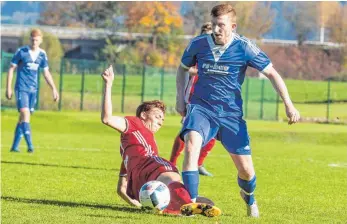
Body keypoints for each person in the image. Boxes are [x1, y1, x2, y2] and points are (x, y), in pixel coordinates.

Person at [175, 4, 300, 218]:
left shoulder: (244, 47)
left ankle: (249, 197)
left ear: (233, 26)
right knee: (191, 146)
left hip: (231, 115)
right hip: (201, 108)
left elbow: (272, 73)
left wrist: (288, 104)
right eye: (213, 25)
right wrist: (180, 98)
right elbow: (182, 68)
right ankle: (191, 205)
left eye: (221, 25)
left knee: (246, 172)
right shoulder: (197, 44)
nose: (215, 30)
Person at [100, 65, 221, 217]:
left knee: (168, 185)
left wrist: (136, 205)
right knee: (169, 173)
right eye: (157, 116)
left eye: (162, 119)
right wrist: (108, 84)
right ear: (143, 115)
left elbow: (121, 189)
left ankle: (176, 207)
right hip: (150, 164)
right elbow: (107, 118)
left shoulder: (128, 151)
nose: (161, 121)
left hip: (138, 184)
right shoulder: (133, 123)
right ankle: (189, 202)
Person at [170, 22, 216, 177]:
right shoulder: (196, 49)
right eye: (205, 32)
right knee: (187, 131)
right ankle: (172, 163)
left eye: (209, 33)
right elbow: (184, 68)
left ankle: (199, 163)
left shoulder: (217, 52)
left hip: (211, 99)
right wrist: (198, 71)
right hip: (193, 96)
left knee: (214, 134)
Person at [6, 28, 59, 153]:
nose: (34, 42)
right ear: (30, 39)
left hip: (33, 90)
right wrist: (8, 88)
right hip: (21, 88)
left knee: (23, 119)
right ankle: (30, 146)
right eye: (32, 40)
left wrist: (54, 89)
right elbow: (11, 69)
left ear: (40, 40)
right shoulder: (22, 51)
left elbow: (46, 73)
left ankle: (14, 147)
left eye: (36, 40)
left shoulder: (42, 54)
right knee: (25, 115)